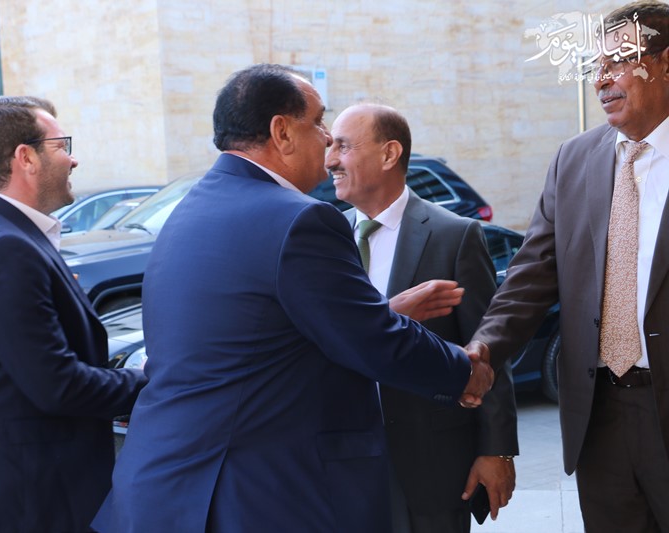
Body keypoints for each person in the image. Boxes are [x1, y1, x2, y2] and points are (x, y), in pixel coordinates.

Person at [92, 64, 495, 533]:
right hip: (252, 496)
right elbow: (371, 339)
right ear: (281, 132)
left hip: (164, 491)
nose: (326, 140)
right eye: (318, 122)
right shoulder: (301, 220)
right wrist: (465, 370)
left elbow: (260, 334)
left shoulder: (187, 212)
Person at [467, 2, 669, 531]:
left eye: (618, 62)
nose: (600, 80)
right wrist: (484, 349)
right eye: (595, 67)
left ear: (665, 64)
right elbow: (530, 276)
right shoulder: (573, 160)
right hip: (598, 417)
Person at [0, 96, 147, 532]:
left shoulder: (2, 230)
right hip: (5, 496)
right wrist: (151, 380)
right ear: (26, 158)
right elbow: (57, 385)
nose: (73, 160)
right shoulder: (4, 247)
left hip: (13, 483)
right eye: (61, 146)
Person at [326, 103, 518, 533]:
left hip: (430, 467)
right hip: (343, 465)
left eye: (343, 146)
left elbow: (487, 348)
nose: (329, 160)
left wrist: (496, 450)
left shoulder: (454, 235)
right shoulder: (325, 239)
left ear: (389, 154)